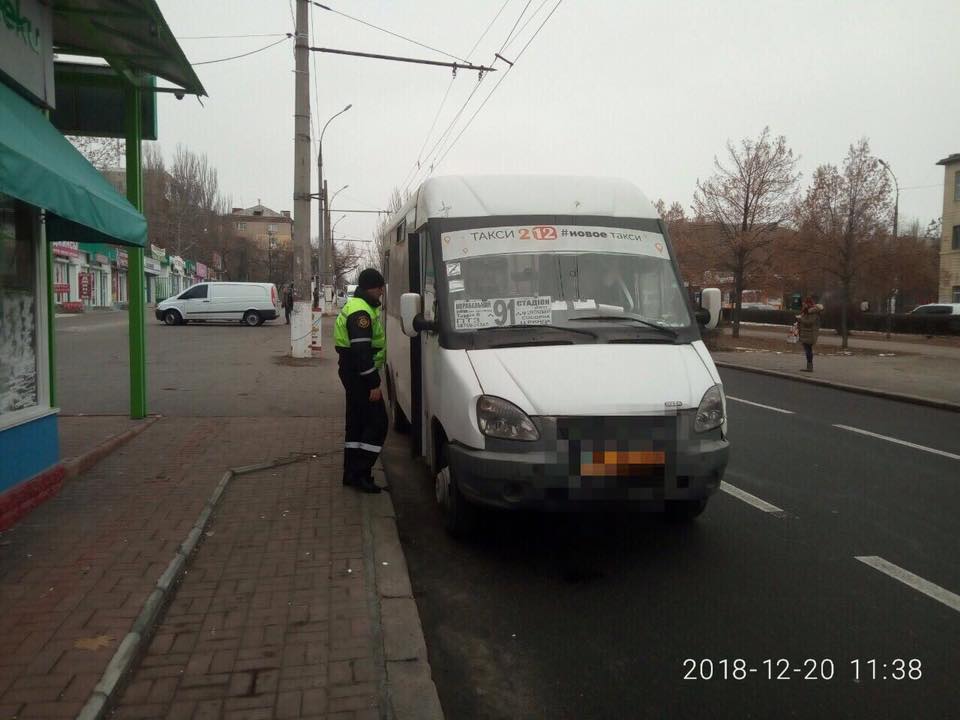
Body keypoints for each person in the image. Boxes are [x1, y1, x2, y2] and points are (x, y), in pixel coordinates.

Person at [334, 269, 387, 493]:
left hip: (352, 372)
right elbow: (361, 353)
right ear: (370, 288)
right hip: (360, 376)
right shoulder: (361, 313)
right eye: (379, 288)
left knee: (356, 424)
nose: (382, 292)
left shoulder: (359, 306)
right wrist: (374, 384)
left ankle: (352, 473)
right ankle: (361, 472)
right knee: (377, 423)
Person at [797, 296, 823, 372]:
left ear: (808, 304)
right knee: (807, 350)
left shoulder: (813, 312)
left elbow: (809, 322)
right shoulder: (807, 311)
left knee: (808, 350)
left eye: (805, 303)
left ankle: (809, 367)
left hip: (810, 333)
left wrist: (800, 319)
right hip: (806, 333)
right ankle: (809, 366)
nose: (803, 305)